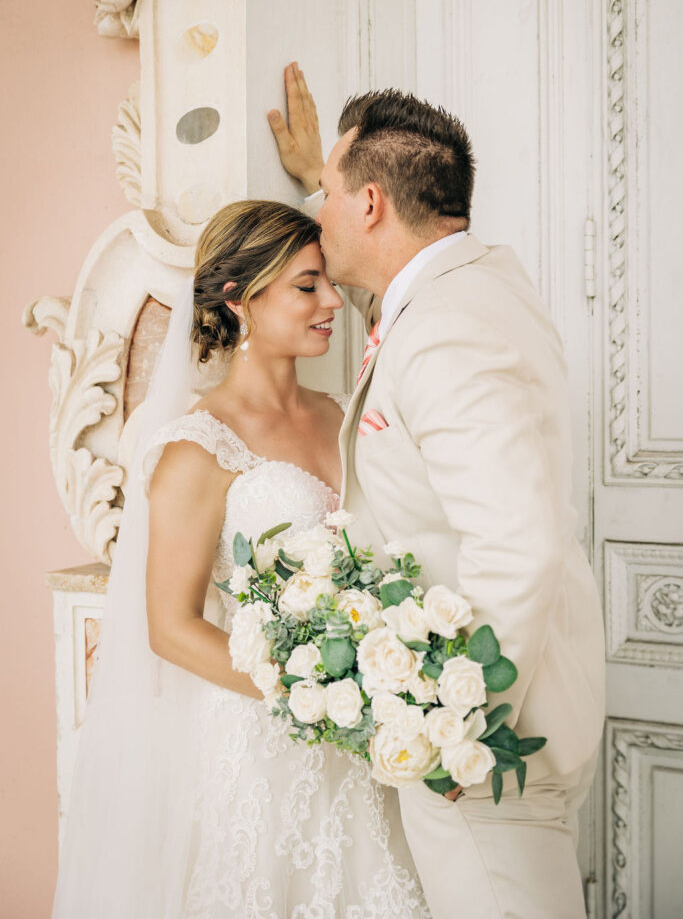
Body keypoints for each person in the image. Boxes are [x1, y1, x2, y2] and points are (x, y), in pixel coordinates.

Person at [268, 63, 606, 919]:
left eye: (330, 198)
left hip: (488, 742)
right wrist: (325, 168)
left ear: (372, 203)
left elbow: (515, 544)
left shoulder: (445, 330)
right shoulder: (481, 281)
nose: (319, 217)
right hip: (528, 704)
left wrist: (455, 727)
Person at [52, 200, 430, 918]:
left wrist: (376, 694)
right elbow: (169, 626)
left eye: (327, 282)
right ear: (239, 300)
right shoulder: (198, 446)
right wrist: (311, 698)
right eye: (306, 286)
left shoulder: (342, 413)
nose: (330, 302)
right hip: (261, 743)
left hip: (368, 736)